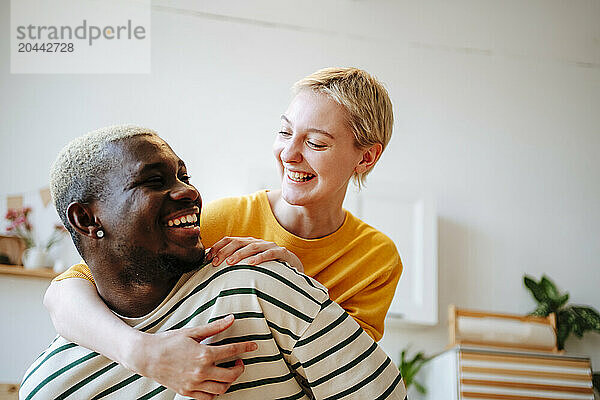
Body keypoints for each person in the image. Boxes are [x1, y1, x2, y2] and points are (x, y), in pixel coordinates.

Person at [44, 67, 403, 396]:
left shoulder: (375, 257)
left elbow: (343, 374)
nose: (289, 154)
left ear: (366, 157)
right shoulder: (223, 218)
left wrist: (295, 281)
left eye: (316, 143)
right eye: (285, 132)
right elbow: (64, 293)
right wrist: (141, 353)